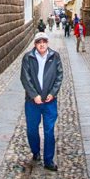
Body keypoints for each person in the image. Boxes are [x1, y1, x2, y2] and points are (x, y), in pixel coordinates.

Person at [20, 32, 63, 171]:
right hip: (32, 103)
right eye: (39, 42)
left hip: (50, 101)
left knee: (49, 131)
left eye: (44, 41)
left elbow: (59, 76)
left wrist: (53, 93)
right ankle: (36, 152)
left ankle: (49, 160)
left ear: (47, 43)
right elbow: (25, 78)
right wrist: (34, 95)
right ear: (35, 44)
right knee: (32, 130)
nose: (42, 44)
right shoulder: (28, 57)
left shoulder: (55, 56)